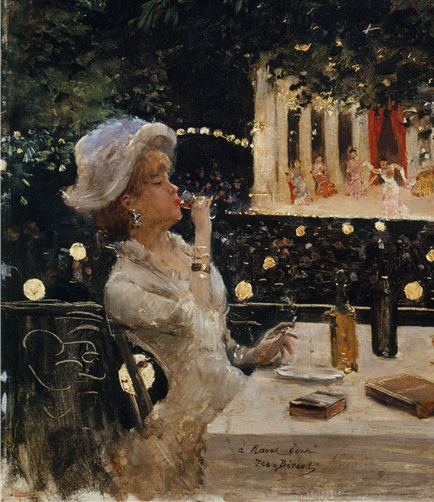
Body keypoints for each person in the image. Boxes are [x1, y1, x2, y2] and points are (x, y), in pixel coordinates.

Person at [63, 117, 296, 500]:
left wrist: (254, 353)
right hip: (191, 428)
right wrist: (203, 234)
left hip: (230, 400)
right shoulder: (123, 286)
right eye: (158, 182)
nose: (174, 188)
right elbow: (197, 316)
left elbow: (218, 346)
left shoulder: (184, 254)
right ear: (130, 204)